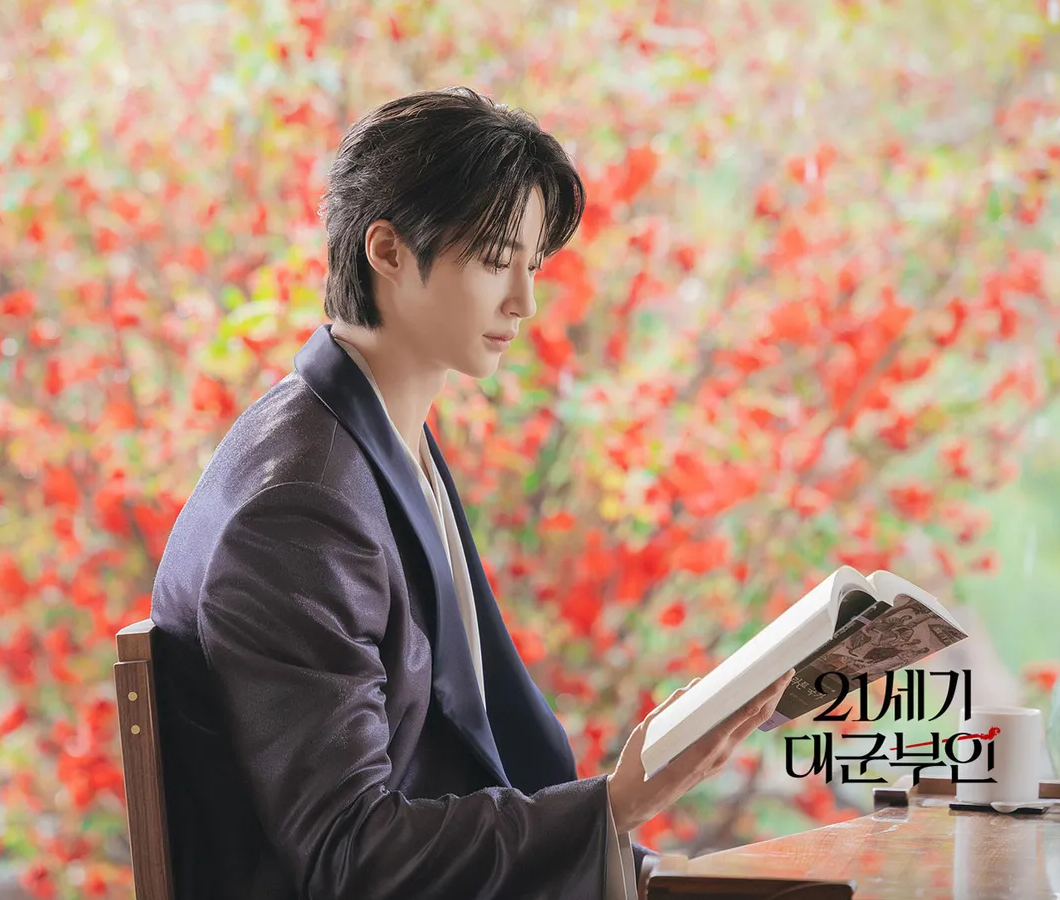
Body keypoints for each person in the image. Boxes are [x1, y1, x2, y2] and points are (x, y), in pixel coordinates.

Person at [148, 86, 792, 900]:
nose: (523, 301)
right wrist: (615, 806)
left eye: (533, 264)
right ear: (385, 251)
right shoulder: (302, 505)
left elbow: (448, 760)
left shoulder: (372, 434)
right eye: (494, 261)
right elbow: (349, 855)